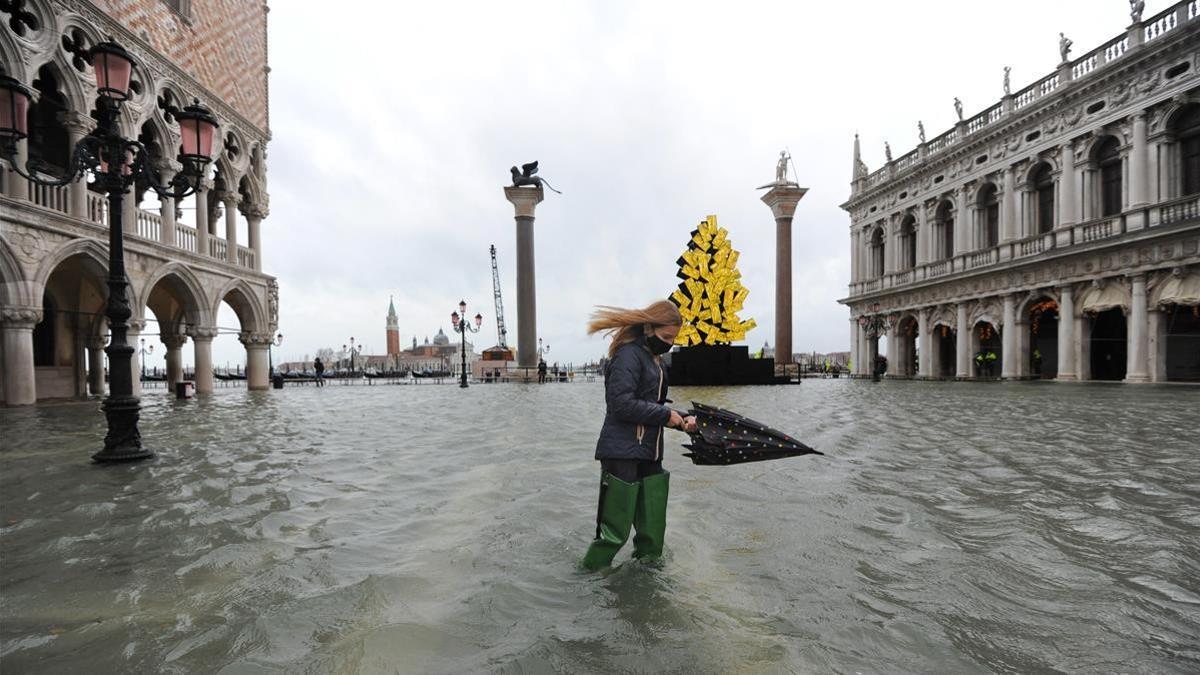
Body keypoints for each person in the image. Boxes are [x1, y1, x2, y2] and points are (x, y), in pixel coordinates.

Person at [581, 300, 697, 570]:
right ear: (648, 327)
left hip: (649, 453)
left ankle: (648, 585)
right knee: (613, 535)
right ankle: (589, 582)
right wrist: (666, 416)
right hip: (621, 453)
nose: (669, 344)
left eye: (673, 339)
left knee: (652, 534)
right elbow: (620, 403)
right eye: (666, 337)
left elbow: (654, 407)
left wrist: (681, 419)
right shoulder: (627, 355)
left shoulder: (655, 362)